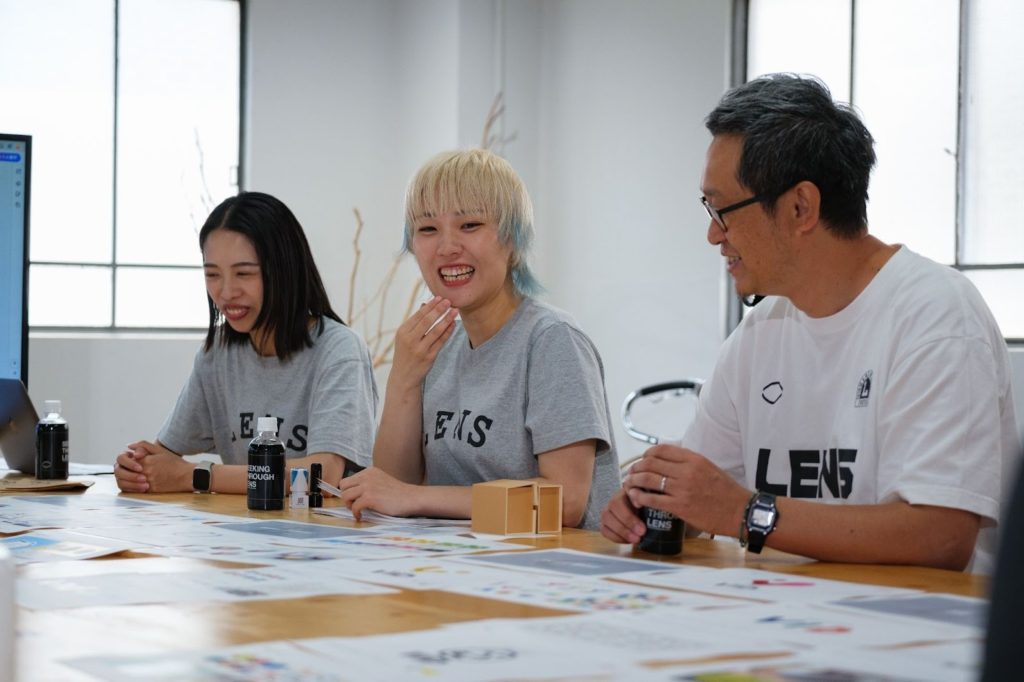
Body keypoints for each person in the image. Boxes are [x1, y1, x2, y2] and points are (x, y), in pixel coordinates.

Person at [601, 74, 1018, 572]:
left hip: (917, 614)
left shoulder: (936, 316)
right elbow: (704, 495)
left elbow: (939, 536)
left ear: (801, 207)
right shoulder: (761, 331)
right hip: (789, 607)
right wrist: (656, 503)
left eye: (723, 209)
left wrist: (745, 513)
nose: (713, 234)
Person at [337, 149, 619, 530]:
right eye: (427, 229)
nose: (447, 247)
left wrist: (417, 497)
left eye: (469, 225)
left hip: (551, 560)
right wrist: (403, 379)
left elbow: (565, 500)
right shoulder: (436, 344)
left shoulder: (553, 340)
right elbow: (391, 486)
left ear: (512, 240)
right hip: (456, 555)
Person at [114, 191, 377, 494]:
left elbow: (322, 475)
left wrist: (197, 476)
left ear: (285, 271)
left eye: (243, 273)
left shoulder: (339, 350)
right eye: (212, 274)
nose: (226, 292)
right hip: (243, 521)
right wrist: (138, 469)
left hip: (318, 523)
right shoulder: (218, 353)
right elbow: (165, 456)